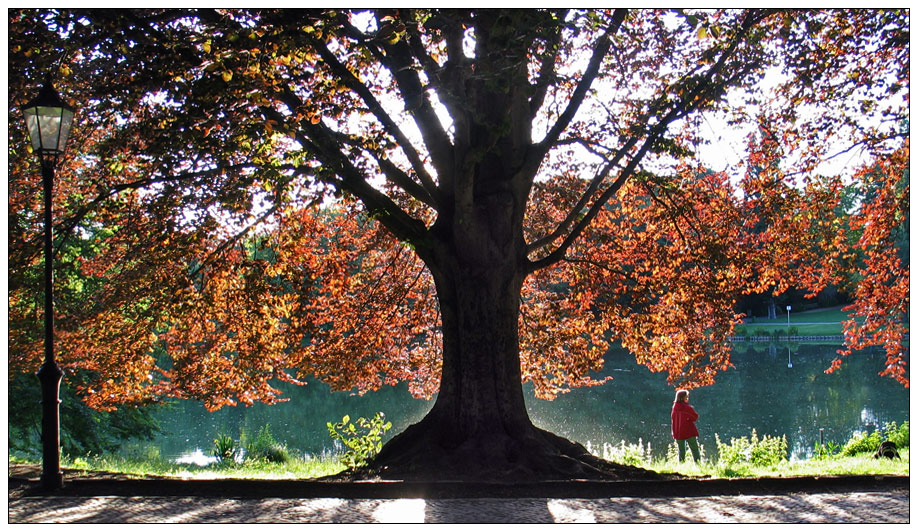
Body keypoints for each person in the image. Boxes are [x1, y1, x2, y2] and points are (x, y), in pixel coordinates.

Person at [671, 389, 701, 463]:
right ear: (683, 398)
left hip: (678, 432)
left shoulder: (675, 407)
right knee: (695, 450)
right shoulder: (687, 407)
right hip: (688, 431)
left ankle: (681, 465)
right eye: (686, 397)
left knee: (681, 451)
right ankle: (698, 465)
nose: (687, 398)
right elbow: (695, 417)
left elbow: (673, 419)